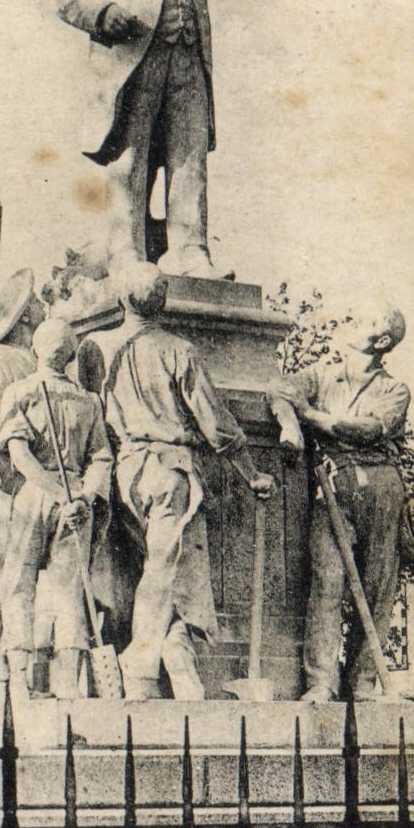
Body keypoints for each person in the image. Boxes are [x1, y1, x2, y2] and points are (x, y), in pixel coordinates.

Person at [55, 0, 344, 277]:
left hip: (188, 63)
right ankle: (125, 252)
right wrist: (101, 12)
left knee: (188, 158)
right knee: (130, 157)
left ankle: (190, 252)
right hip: (132, 60)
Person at [103, 263, 275, 699]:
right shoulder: (179, 350)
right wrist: (252, 474)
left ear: (123, 300)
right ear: (163, 303)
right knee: (166, 566)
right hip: (170, 470)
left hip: (124, 472)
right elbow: (216, 425)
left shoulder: (100, 349)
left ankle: (178, 648)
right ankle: (143, 664)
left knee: (170, 565)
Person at [273, 308, 414, 703]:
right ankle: (321, 681)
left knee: (376, 589)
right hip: (332, 485)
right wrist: (290, 425)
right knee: (327, 582)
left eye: (365, 320)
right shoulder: (322, 374)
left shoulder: (395, 389)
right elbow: (279, 388)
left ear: (383, 341)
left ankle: (362, 683)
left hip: (380, 487)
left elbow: (367, 429)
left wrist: (308, 415)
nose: (352, 321)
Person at [0, 319, 113, 699]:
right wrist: (82, 498)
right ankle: (67, 685)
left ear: (35, 348)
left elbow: (20, 456)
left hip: (36, 495)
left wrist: (59, 495)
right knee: (70, 591)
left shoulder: (19, 392)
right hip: (77, 498)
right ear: (71, 356)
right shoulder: (89, 400)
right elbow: (101, 459)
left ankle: (19, 678)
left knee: (19, 585)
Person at [0, 268, 46, 693]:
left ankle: (3, 670)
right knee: (8, 579)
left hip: (15, 482)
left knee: (7, 578)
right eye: (34, 301)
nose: (41, 305)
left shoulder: (20, 361)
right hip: (9, 481)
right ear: (22, 317)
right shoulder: (8, 362)